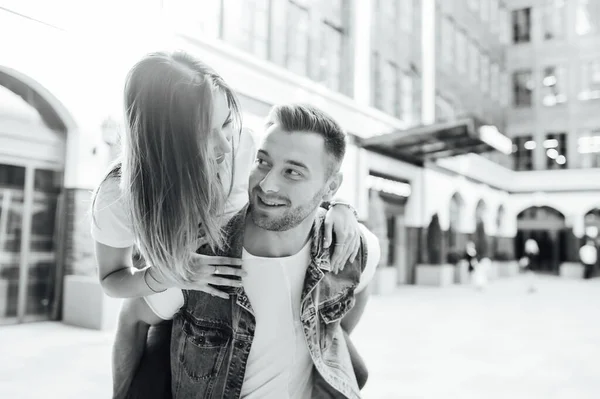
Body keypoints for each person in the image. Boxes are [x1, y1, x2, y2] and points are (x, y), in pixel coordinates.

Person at [91, 52, 364, 399]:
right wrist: (169, 275)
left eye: (225, 124)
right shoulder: (118, 196)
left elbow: (298, 186)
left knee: (351, 372)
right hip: (181, 298)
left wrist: (340, 206)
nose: (225, 145)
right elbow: (112, 282)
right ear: (164, 137)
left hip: (249, 282)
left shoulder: (241, 145)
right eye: (206, 133)